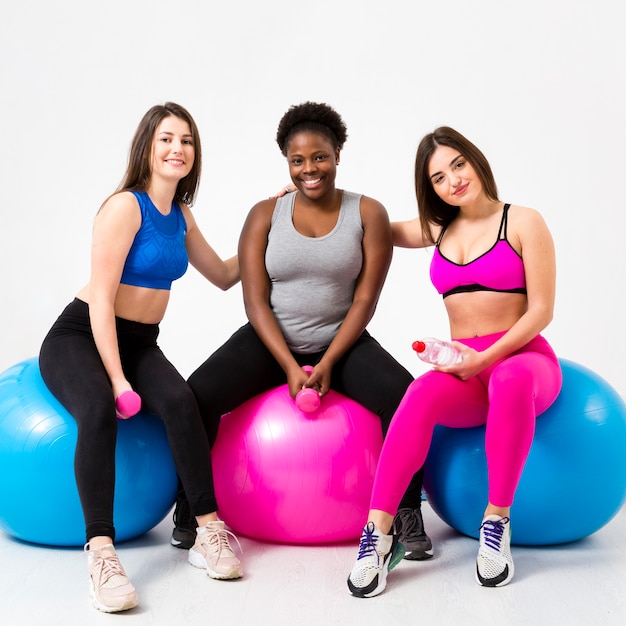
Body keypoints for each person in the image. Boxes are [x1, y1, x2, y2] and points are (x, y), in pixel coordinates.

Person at [171, 101, 431, 559]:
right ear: (286, 163)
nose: (309, 169)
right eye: (297, 160)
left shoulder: (367, 212)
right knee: (197, 394)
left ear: (337, 155)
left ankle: (407, 512)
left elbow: (365, 301)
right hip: (271, 340)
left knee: (405, 397)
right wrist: (290, 365)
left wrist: (328, 360)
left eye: (319, 157)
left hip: (342, 341)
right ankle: (191, 506)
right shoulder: (264, 214)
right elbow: (254, 302)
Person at [39, 102, 243, 613]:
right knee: (95, 409)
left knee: (182, 401)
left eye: (187, 141)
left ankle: (207, 529)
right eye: (167, 139)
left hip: (139, 341)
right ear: (148, 148)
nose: (178, 149)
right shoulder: (124, 207)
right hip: (81, 335)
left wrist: (269, 225)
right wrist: (117, 380)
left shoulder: (181, 215)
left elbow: (221, 274)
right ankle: (102, 554)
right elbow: (102, 301)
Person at [347, 126, 563, 598]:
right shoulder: (438, 228)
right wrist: (305, 192)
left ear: (475, 160)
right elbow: (369, 222)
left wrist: (487, 356)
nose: (453, 181)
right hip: (468, 368)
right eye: (439, 178)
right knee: (420, 391)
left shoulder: (523, 220)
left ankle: (496, 523)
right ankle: (377, 535)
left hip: (525, 362)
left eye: (458, 165)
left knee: (507, 378)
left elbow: (542, 310)